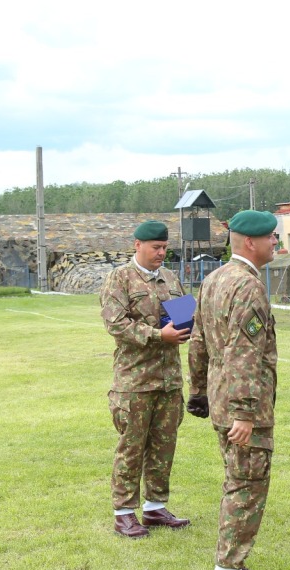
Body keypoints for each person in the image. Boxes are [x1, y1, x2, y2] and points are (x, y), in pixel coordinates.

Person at [187, 209, 279, 570]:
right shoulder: (246, 286)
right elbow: (245, 353)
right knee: (246, 486)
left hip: (221, 397)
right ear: (250, 243)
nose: (277, 243)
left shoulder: (213, 279)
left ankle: (236, 567)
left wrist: (198, 391)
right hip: (242, 406)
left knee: (238, 478)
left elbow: (196, 342)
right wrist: (244, 412)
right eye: (272, 237)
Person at [100, 220, 191, 539]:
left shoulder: (169, 277)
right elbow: (116, 325)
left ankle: (154, 507)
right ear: (137, 245)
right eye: (156, 248)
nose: (161, 253)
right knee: (132, 446)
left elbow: (181, 314)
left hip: (168, 380)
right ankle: (124, 512)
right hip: (135, 381)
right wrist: (157, 335)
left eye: (165, 248)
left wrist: (187, 325)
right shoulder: (119, 278)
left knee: (164, 446)